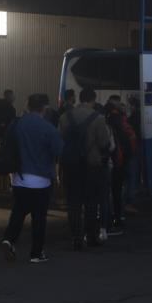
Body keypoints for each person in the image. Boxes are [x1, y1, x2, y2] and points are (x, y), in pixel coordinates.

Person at [2, 93, 64, 263]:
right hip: (41, 179)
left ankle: (9, 239)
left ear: (27, 106)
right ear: (44, 108)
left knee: (18, 212)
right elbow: (59, 150)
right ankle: (36, 253)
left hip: (18, 177)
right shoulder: (48, 128)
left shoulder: (17, 124)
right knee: (39, 217)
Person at [58, 87, 111, 250]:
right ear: (93, 100)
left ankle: (76, 238)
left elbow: (59, 141)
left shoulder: (65, 117)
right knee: (91, 203)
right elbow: (104, 143)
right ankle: (91, 236)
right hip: (91, 166)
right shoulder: (98, 118)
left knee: (74, 204)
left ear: (80, 99)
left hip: (70, 166)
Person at [105, 95, 137, 234]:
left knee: (110, 191)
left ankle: (111, 218)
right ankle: (118, 217)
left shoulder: (109, 121)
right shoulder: (122, 121)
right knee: (118, 190)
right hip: (122, 159)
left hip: (113, 160)